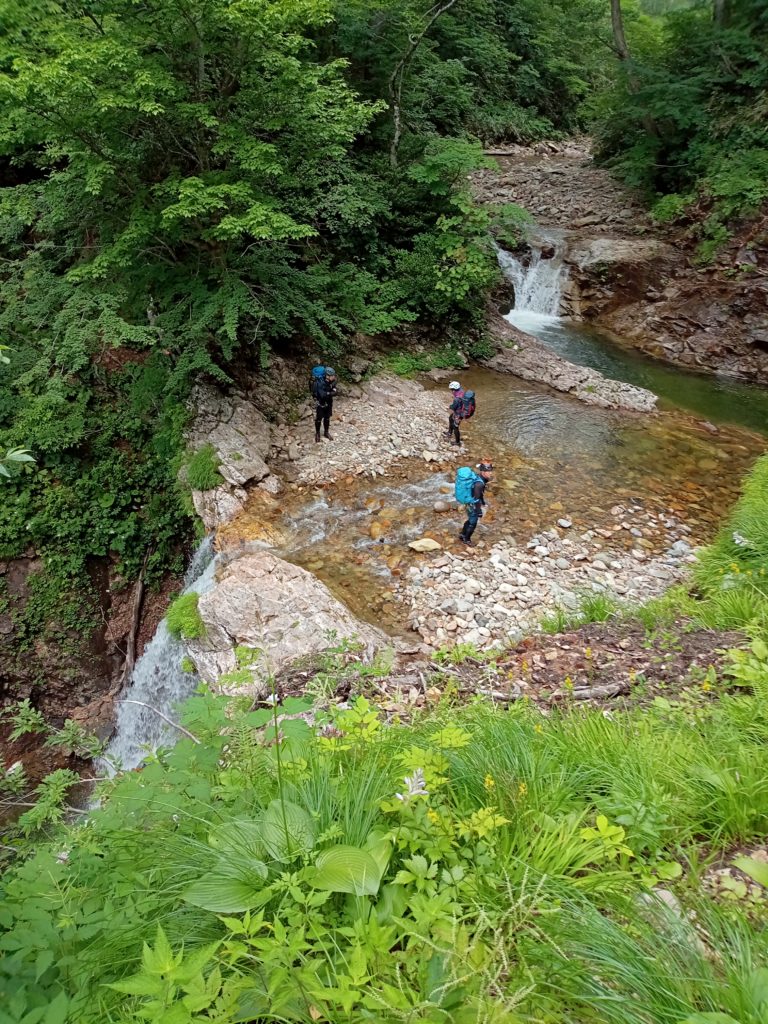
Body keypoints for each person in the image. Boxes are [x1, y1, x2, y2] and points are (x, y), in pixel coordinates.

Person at [458, 460, 493, 546]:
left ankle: (462, 534)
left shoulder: (480, 478)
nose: (490, 473)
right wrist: (479, 511)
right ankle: (467, 539)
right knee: (473, 523)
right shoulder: (479, 484)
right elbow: (476, 499)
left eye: (490, 471)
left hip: (469, 501)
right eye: (488, 472)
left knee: (470, 520)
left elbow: (480, 494)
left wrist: (483, 502)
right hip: (472, 504)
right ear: (483, 472)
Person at [312, 366, 338, 442]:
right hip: (320, 403)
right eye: (332, 376)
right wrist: (331, 393)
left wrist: (334, 391)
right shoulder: (319, 383)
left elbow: (334, 388)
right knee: (319, 419)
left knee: (327, 417)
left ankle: (326, 432)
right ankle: (317, 433)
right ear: (327, 376)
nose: (334, 377)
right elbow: (322, 395)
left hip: (329, 402)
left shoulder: (331, 381)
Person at [445, 381, 464, 446]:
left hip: (459, 413)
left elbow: (453, 407)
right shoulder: (461, 390)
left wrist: (450, 406)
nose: (451, 391)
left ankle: (457, 442)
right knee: (450, 418)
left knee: (455, 426)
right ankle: (449, 432)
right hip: (460, 411)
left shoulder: (457, 399)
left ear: (454, 389)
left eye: (451, 389)